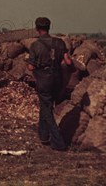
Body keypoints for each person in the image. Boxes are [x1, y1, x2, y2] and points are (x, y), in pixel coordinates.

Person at [26, 17, 72, 151]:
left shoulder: (35, 45)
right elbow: (68, 62)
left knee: (47, 110)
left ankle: (59, 143)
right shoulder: (59, 42)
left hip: (44, 80)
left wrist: (30, 63)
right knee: (45, 105)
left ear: (37, 29)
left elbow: (30, 68)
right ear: (49, 28)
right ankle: (43, 135)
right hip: (58, 79)